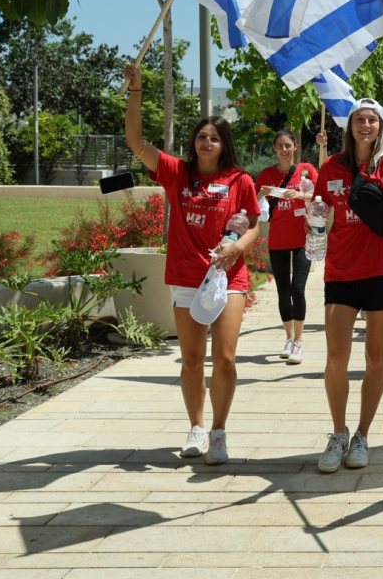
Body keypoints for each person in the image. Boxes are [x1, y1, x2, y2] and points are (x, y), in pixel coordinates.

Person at [122, 61, 260, 465]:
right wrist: (136, 91)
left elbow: (254, 226)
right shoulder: (176, 173)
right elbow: (134, 140)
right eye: (201, 136)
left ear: (224, 144)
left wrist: (238, 248)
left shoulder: (240, 181)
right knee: (193, 359)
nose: (206, 142)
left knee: (227, 358)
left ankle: (219, 431)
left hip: (228, 278)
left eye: (214, 138)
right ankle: (196, 427)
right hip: (185, 278)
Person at [314, 98, 383, 473]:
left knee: (376, 358)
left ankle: (362, 434)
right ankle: (338, 432)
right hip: (340, 272)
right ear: (350, 126)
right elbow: (320, 210)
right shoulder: (331, 166)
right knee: (335, 359)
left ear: (381, 126)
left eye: (372, 119)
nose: (365, 124)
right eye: (359, 119)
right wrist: (313, 219)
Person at [255, 130, 319, 365]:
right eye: (280, 146)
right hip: (278, 240)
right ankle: (289, 338)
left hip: (304, 237)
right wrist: (260, 193)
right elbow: (254, 206)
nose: (284, 150)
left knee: (298, 289)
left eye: (288, 145)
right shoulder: (266, 174)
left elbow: (320, 196)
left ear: (295, 147)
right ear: (274, 148)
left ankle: (299, 341)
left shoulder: (306, 170)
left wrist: (302, 194)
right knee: (283, 290)